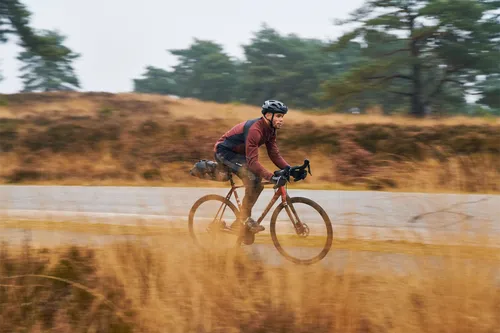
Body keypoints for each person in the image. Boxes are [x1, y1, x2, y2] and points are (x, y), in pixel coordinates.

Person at [213, 99, 290, 233]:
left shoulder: (271, 130)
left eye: (282, 116)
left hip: (239, 154)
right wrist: (271, 177)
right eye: (278, 116)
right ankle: (244, 220)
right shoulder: (255, 129)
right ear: (268, 115)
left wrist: (289, 169)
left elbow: (274, 154)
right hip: (224, 152)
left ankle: (241, 221)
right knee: (252, 178)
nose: (281, 119)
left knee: (257, 183)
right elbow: (252, 162)